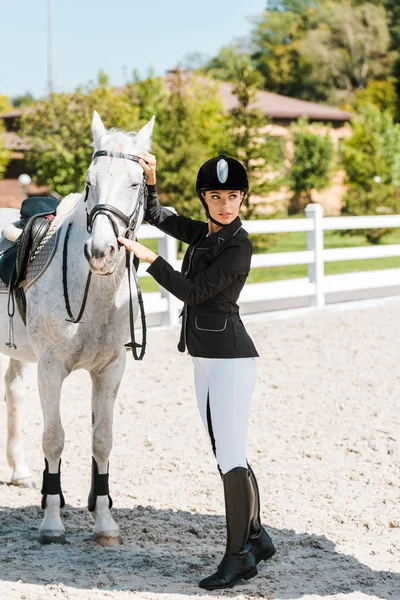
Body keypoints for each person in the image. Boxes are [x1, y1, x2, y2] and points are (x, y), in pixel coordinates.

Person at [118, 152, 276, 590]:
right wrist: (151, 180)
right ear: (205, 199)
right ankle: (258, 537)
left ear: (243, 197)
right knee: (230, 453)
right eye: (216, 196)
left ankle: (239, 557)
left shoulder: (238, 244)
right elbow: (156, 215)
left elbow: (194, 291)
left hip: (230, 359)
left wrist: (151, 261)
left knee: (230, 459)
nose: (226, 204)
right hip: (204, 358)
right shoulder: (205, 233)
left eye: (233, 195)